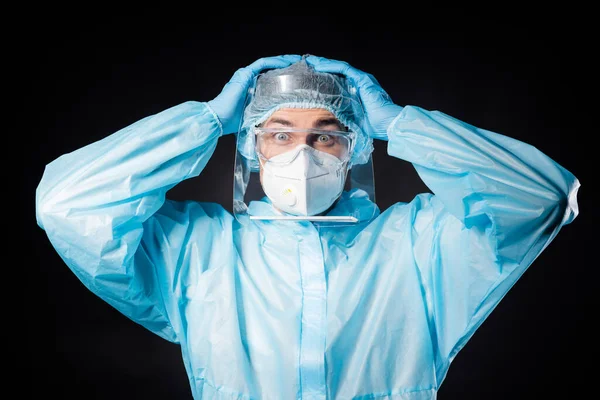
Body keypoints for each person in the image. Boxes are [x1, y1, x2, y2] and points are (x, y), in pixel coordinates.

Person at [35, 54, 580, 400]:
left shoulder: (422, 247)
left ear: (357, 146)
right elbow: (69, 207)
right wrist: (203, 121)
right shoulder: (197, 251)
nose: (302, 152)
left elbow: (543, 198)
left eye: (326, 134)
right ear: (251, 146)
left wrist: (398, 123)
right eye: (278, 134)